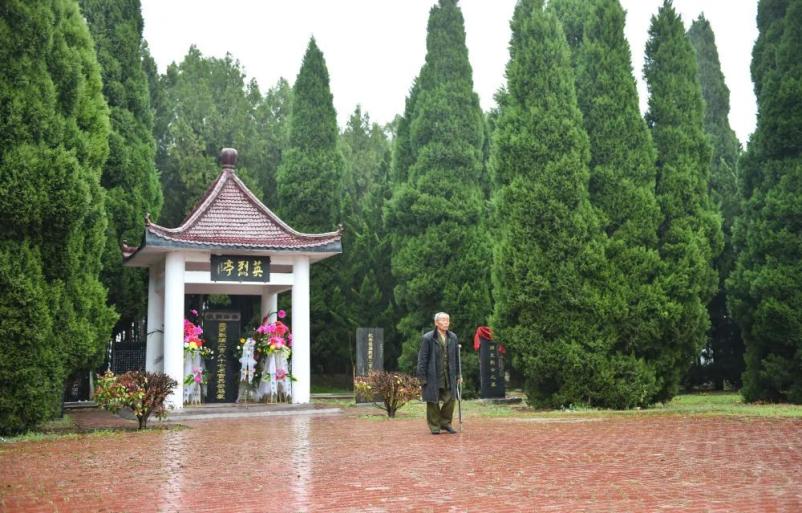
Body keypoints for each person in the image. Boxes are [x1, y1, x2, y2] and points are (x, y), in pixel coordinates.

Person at [417, 312, 461, 435]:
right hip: (433, 375)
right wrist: (422, 376)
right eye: (443, 320)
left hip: (448, 374)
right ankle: (434, 426)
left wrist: (458, 374)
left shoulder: (453, 337)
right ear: (436, 323)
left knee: (451, 399)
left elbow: (456, 358)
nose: (446, 322)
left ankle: (445, 423)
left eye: (448, 320)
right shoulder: (428, 338)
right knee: (433, 401)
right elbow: (422, 358)